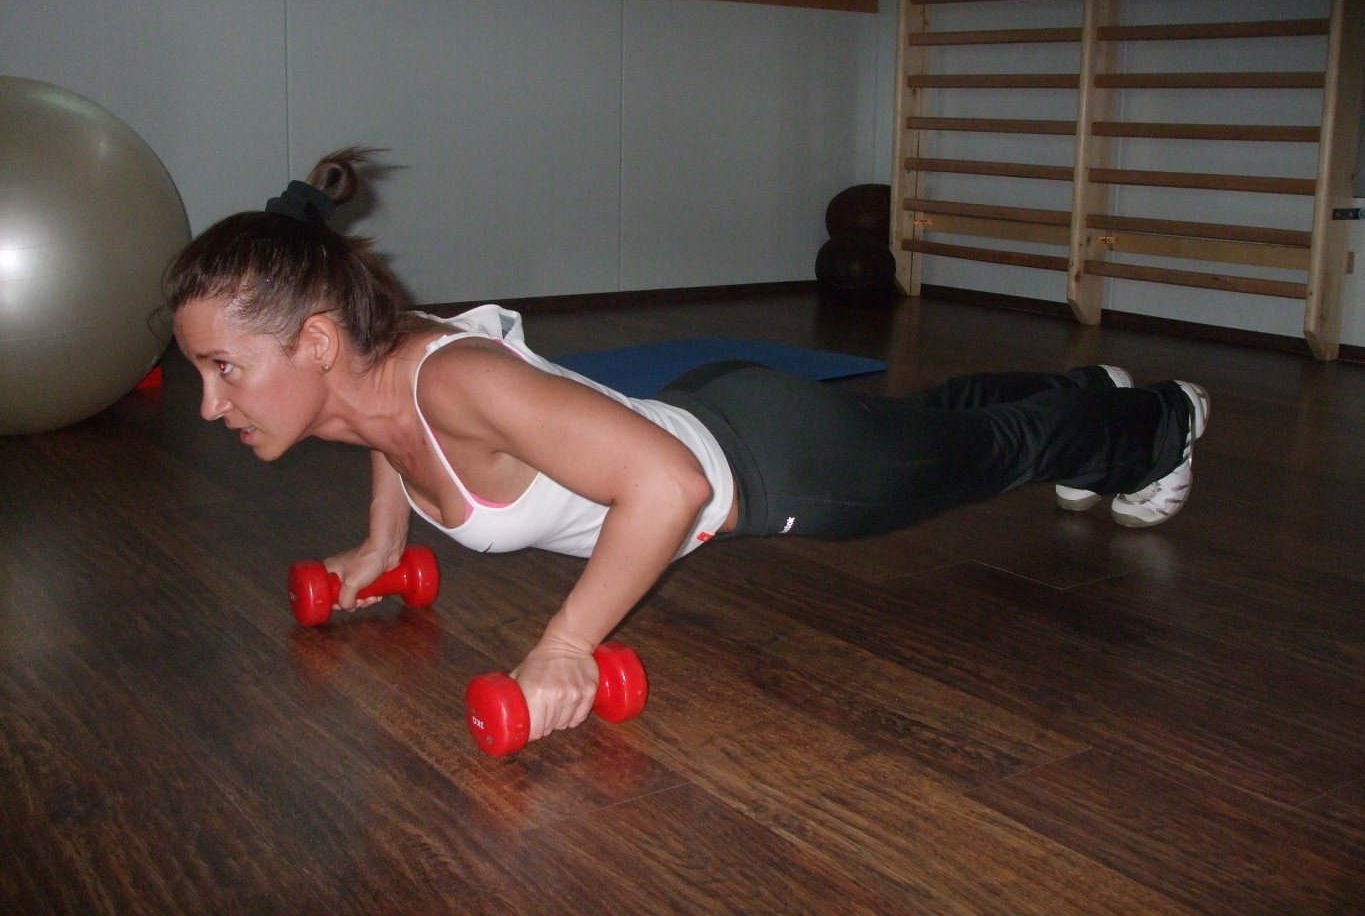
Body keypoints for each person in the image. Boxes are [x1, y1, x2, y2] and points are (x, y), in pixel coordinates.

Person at [165, 147, 1210, 746]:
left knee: (986, 455)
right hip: (718, 408)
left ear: (313, 342)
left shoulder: (453, 380)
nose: (210, 405)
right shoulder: (359, 377)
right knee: (941, 429)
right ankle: (1086, 396)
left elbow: (668, 487)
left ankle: (1159, 424)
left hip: (771, 466)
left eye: (224, 370)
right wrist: (380, 545)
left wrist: (565, 646)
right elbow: (381, 433)